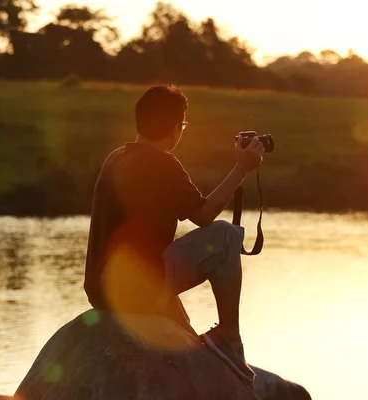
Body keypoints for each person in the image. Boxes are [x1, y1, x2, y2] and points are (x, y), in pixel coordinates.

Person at [83, 84, 265, 383]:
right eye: (182, 123)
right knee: (226, 235)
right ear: (175, 127)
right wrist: (242, 168)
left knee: (185, 334)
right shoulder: (162, 163)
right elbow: (205, 216)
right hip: (136, 290)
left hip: (101, 291)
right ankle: (229, 339)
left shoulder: (116, 157)